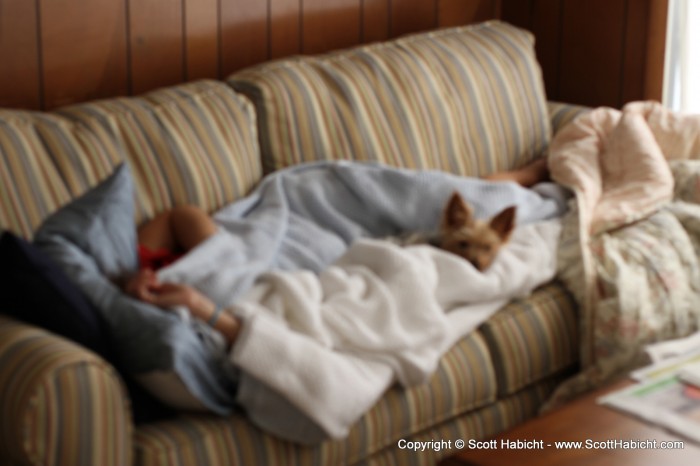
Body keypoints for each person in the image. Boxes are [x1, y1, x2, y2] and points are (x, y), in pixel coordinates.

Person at [122, 158, 551, 348]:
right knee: (470, 210)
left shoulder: (150, 268)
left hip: (303, 223)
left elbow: (184, 216)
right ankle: (527, 181)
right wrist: (195, 305)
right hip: (298, 274)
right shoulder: (185, 325)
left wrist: (131, 269)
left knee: (467, 196)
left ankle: (530, 177)